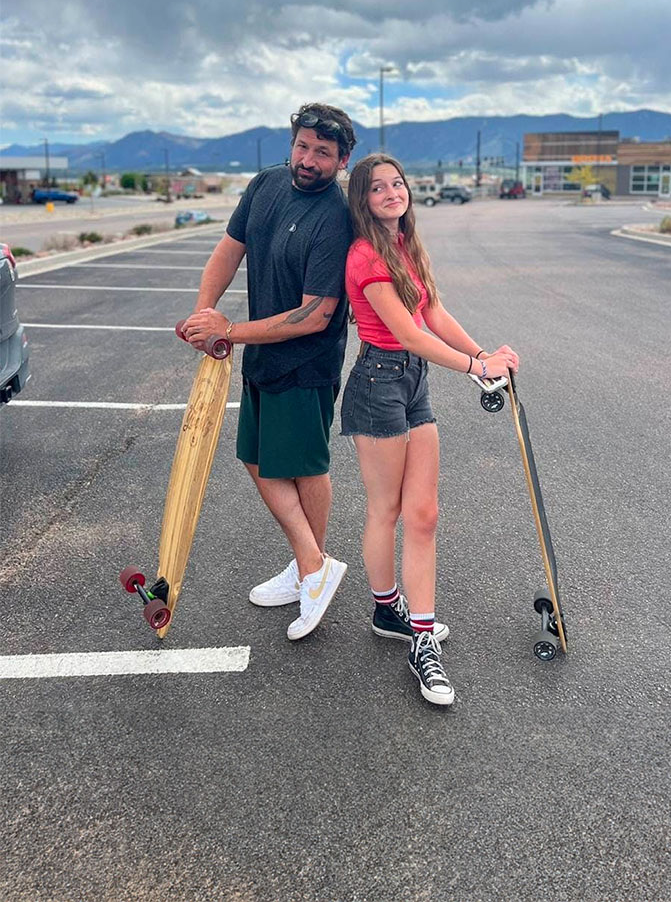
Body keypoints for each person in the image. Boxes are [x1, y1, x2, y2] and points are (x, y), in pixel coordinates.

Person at [341, 154, 519, 705]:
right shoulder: (365, 255)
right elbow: (407, 334)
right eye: (379, 188)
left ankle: (419, 633)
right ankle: (386, 609)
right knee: (386, 511)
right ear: (363, 200)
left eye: (398, 183)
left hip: (413, 382)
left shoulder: (404, 246)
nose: (393, 193)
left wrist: (483, 354)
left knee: (424, 514)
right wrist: (474, 370)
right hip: (378, 382)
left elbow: (433, 316)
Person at [180, 103, 357, 640]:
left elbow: (315, 315)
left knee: (304, 468)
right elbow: (227, 252)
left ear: (342, 159)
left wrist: (228, 332)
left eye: (322, 153)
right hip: (262, 357)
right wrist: (201, 316)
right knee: (257, 460)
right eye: (303, 147)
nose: (308, 160)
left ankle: (313, 570)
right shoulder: (265, 186)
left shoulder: (335, 217)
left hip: (307, 364)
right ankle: (310, 563)